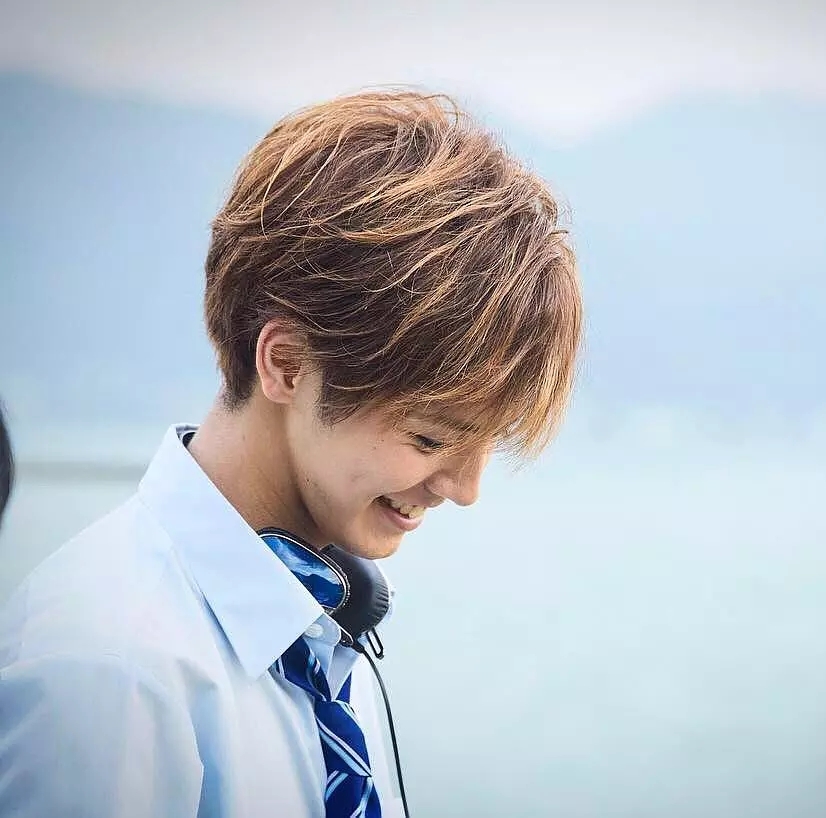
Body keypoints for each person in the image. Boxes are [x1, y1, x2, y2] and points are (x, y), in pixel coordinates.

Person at [0, 91, 582, 818]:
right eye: (430, 438)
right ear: (287, 365)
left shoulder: (320, 630)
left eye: (488, 444)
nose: (465, 489)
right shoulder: (106, 668)